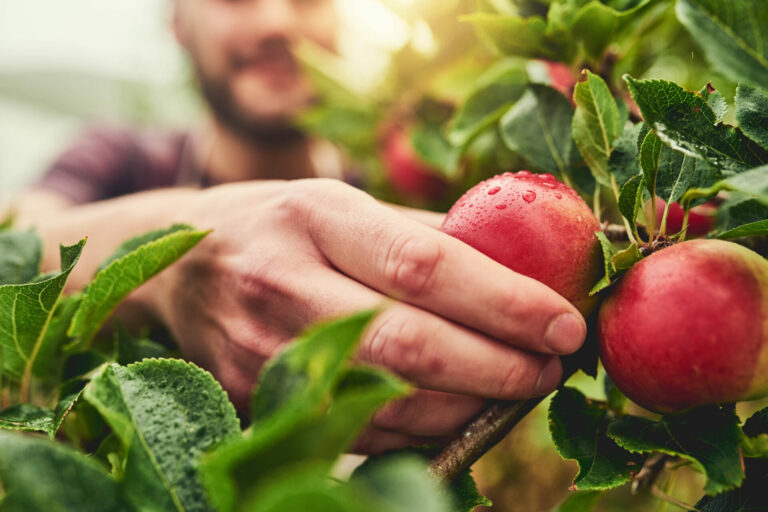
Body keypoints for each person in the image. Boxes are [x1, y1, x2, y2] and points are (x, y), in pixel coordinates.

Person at [5, 0, 586, 453]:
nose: (277, 20)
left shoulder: (391, 211)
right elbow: (18, 242)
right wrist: (176, 259)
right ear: (179, 22)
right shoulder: (120, 161)